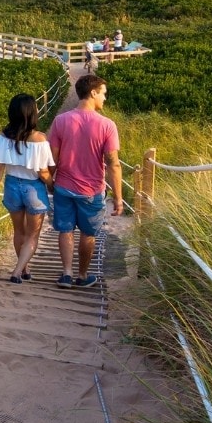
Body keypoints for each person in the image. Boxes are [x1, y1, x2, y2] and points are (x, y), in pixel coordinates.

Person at [46, 75, 123, 289]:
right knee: (88, 233)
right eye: (104, 93)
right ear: (93, 92)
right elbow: (113, 163)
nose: (105, 98)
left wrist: (50, 181)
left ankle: (67, 274)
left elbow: (53, 157)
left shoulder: (60, 120)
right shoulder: (107, 125)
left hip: (63, 186)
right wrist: (118, 198)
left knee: (65, 230)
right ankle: (82, 274)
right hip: (92, 190)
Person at [0, 94, 56, 284]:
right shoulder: (40, 139)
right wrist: (52, 186)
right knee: (33, 235)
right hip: (33, 187)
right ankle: (18, 271)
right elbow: (44, 172)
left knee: (19, 231)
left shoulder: (2, 137)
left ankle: (24, 269)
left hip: (11, 185)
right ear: (32, 113)